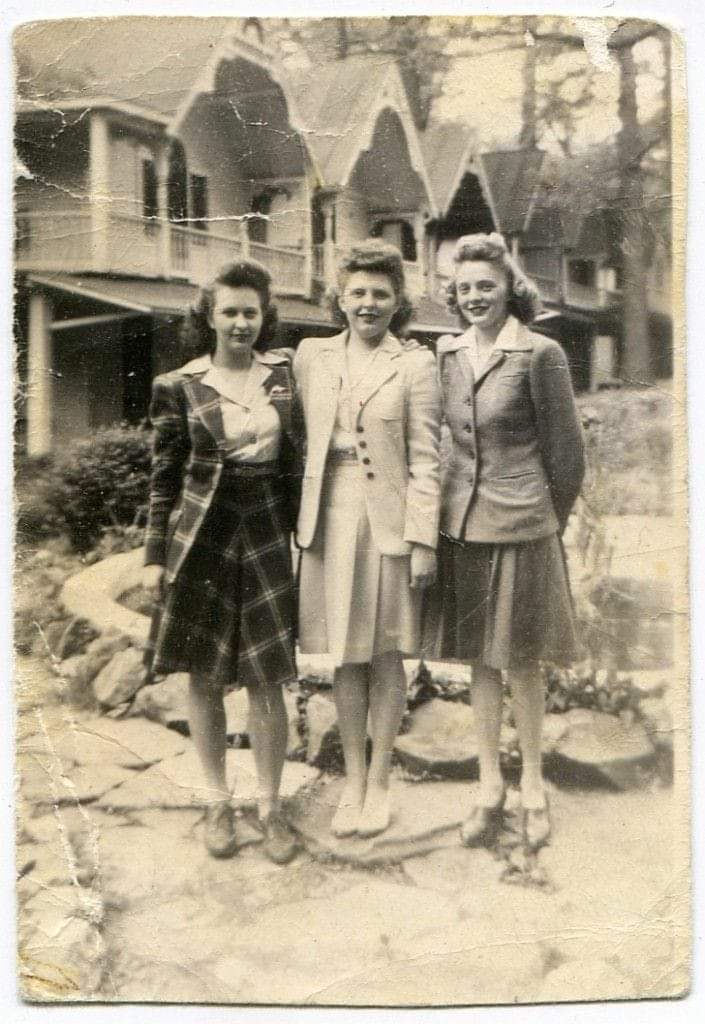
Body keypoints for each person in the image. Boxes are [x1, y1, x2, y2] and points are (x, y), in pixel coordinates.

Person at [425, 232, 585, 851]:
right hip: (463, 526)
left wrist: (549, 519)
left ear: (509, 288)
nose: (474, 297)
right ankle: (489, 784)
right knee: (478, 662)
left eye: (485, 286)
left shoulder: (540, 353)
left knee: (522, 660)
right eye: (463, 288)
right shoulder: (446, 353)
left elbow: (567, 456)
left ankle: (535, 786)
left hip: (522, 524)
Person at [142, 259, 301, 864]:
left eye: (251, 312)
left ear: (265, 318)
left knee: (266, 675)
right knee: (204, 674)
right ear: (209, 316)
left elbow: (300, 456)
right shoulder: (178, 384)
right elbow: (163, 480)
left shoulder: (285, 376)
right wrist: (156, 556)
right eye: (229, 311)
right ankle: (216, 801)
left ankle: (270, 806)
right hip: (201, 534)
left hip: (264, 528)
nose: (240, 323)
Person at [294, 241, 441, 838]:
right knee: (344, 656)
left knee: (385, 655)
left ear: (398, 301)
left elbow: (429, 461)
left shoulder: (415, 364)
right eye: (358, 292)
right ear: (340, 298)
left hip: (390, 525)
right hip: (328, 517)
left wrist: (423, 540)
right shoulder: (312, 356)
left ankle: (380, 780)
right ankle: (351, 781)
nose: (368, 303)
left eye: (381, 293)